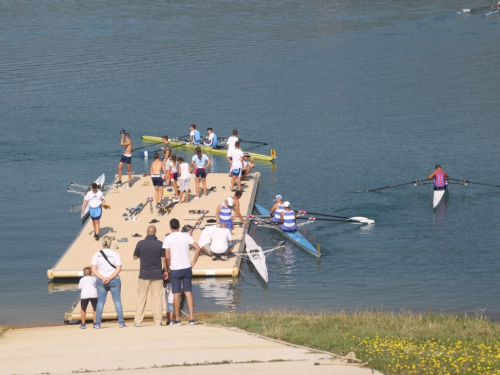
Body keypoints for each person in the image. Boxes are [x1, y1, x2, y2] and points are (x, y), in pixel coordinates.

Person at [162, 218, 202, 325]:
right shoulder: (186, 235)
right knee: (188, 292)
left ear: (170, 227)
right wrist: (193, 262)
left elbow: (166, 257)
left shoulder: (168, 238)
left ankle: (178, 319)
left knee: (176, 293)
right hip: (187, 267)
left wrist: (167, 269)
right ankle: (192, 318)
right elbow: (198, 248)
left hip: (174, 268)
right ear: (179, 226)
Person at [133, 225, 166, 327]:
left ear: (146, 232)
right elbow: (164, 259)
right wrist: (165, 271)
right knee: (157, 298)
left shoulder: (140, 243)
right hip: (157, 273)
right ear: (155, 233)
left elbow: (135, 257)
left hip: (144, 274)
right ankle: (158, 321)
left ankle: (138, 321)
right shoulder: (160, 244)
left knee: (141, 297)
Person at [91, 236, 125, 329]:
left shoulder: (96, 255)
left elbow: (93, 269)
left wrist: (103, 278)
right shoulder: (115, 254)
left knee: (100, 302)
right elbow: (119, 268)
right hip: (114, 279)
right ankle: (121, 322)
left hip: (101, 280)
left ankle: (97, 323)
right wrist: (110, 277)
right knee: (117, 301)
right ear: (110, 243)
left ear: (102, 243)